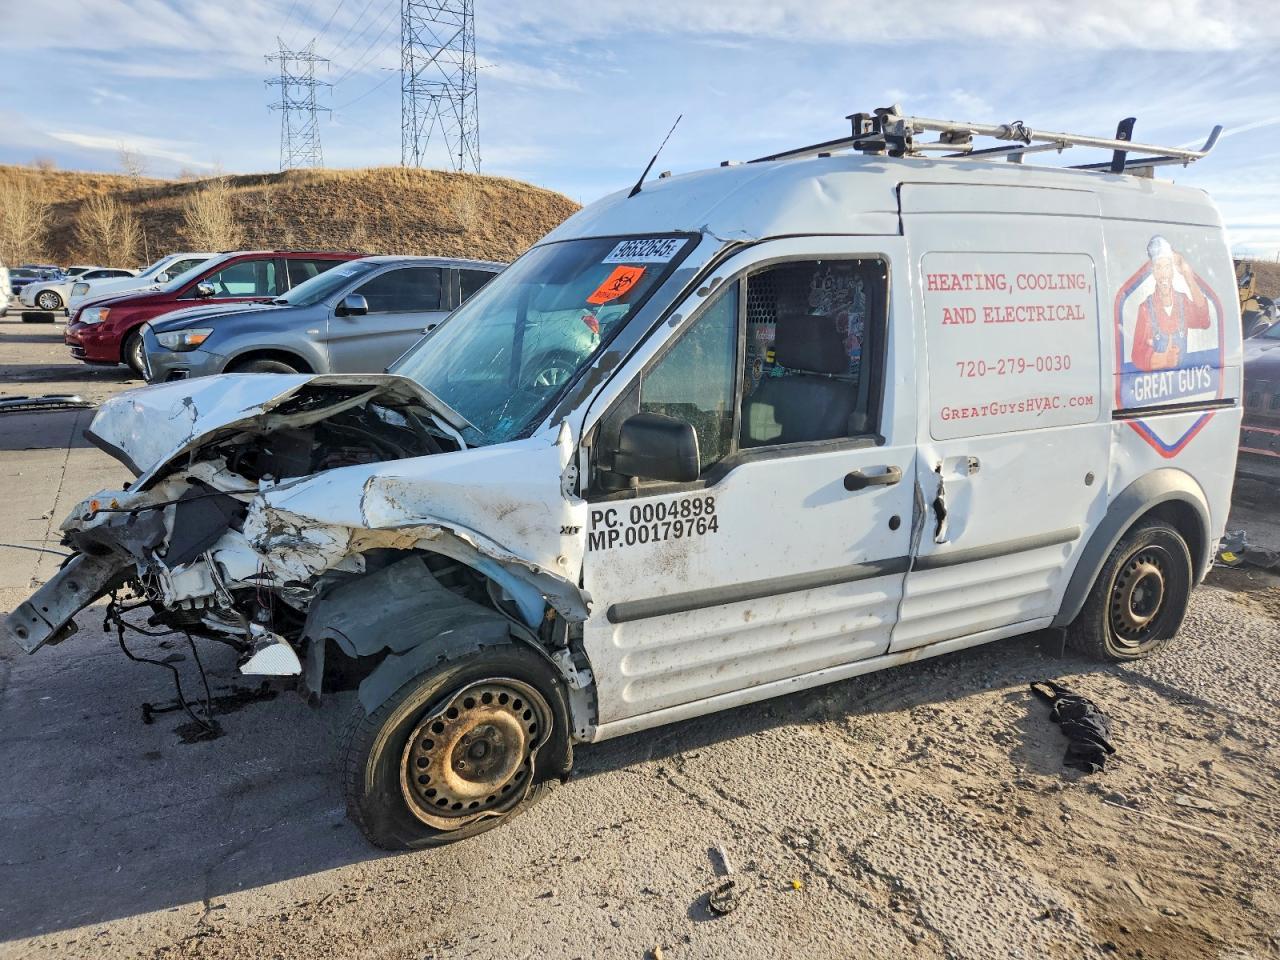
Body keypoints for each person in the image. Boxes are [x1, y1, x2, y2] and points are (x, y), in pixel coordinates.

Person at [1132, 236, 1210, 371]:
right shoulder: (1145, 308)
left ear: (1173, 271)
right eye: (1158, 268)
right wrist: (1163, 360)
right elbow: (1137, 354)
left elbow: (1204, 321)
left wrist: (1187, 275)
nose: (1163, 274)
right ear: (1153, 273)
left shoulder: (1183, 301)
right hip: (1159, 387)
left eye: (1167, 267)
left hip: (1183, 383)